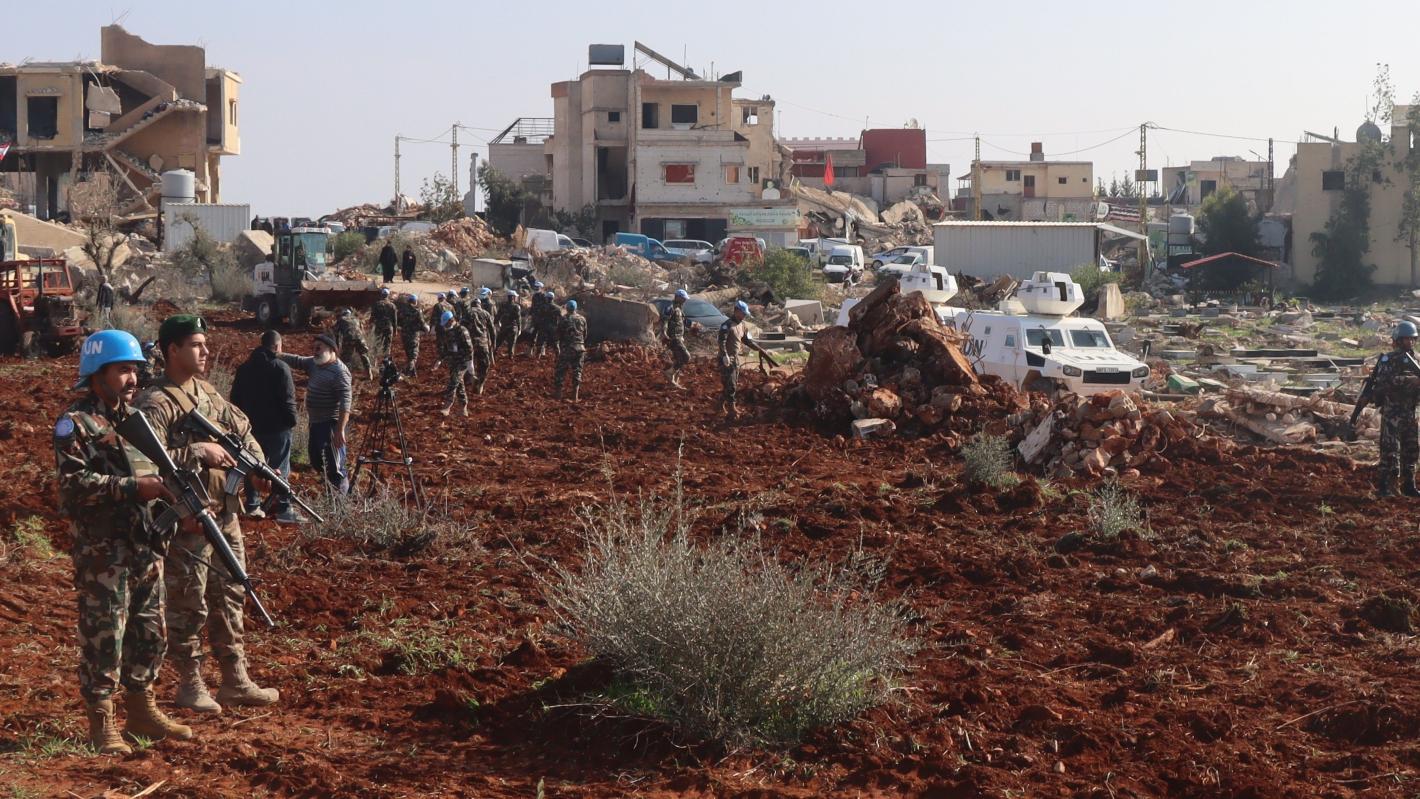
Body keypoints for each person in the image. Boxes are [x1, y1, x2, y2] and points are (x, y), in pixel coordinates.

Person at [56, 330, 192, 754]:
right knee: (105, 635)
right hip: (104, 552)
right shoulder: (76, 423)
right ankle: (102, 722)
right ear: (97, 373)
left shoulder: (137, 421)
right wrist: (133, 488)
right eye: (122, 370)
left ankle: (141, 709)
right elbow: (72, 486)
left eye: (134, 370)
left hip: (144, 545)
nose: (132, 379)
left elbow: (160, 471)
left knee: (149, 631)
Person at [136, 315, 279, 715]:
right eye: (196, 345)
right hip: (187, 520)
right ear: (172, 350)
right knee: (188, 602)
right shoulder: (155, 402)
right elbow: (144, 463)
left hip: (224, 514)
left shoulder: (209, 394)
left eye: (204, 344)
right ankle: (190, 683)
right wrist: (197, 452)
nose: (205, 351)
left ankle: (235, 678)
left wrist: (258, 469)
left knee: (231, 595)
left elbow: (243, 432)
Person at [229, 330, 304, 524]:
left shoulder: (244, 368)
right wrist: (291, 421)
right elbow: (288, 399)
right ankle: (284, 508)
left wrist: (242, 424)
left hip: (251, 428)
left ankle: (252, 506)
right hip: (278, 428)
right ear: (277, 346)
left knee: (252, 465)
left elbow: (234, 399)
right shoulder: (280, 367)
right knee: (281, 467)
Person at [276, 334, 353, 492]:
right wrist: (277, 354)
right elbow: (297, 360)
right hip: (316, 423)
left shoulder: (340, 372)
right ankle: (330, 492)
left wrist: (339, 430)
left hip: (331, 425)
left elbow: (346, 403)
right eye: (314, 348)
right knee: (317, 462)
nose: (315, 351)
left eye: (319, 348)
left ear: (331, 350)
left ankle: (340, 500)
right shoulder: (315, 363)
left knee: (335, 467)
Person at [1374, 321, 1420, 496]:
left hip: (1410, 411)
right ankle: (1385, 486)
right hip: (1393, 412)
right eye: (1406, 339)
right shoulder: (1389, 359)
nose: (1410, 342)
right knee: (1390, 450)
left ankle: (1409, 485)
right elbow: (1385, 381)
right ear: (1398, 340)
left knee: (1411, 449)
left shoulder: (1416, 360)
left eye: (1412, 339)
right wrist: (1411, 381)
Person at [717, 301, 757, 422]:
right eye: (743, 313)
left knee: (731, 383)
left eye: (745, 314)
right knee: (731, 384)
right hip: (726, 359)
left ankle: (720, 404)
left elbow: (747, 340)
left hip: (736, 359)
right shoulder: (727, 325)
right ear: (737, 311)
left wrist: (757, 348)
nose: (744, 316)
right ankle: (732, 409)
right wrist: (724, 355)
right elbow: (721, 341)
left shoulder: (743, 325)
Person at [437, 310, 475, 416]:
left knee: (453, 382)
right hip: (453, 362)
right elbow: (446, 347)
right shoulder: (448, 331)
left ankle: (447, 406)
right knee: (459, 385)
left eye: (446, 323)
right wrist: (440, 359)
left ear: (451, 320)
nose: (445, 326)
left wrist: (470, 363)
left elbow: (469, 347)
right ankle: (463, 408)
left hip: (462, 362)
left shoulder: (462, 330)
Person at [552, 299, 587, 402]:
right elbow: (585, 335)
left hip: (568, 348)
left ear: (567, 308)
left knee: (560, 370)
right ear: (576, 308)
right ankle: (575, 397)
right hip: (580, 348)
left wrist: (559, 344)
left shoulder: (563, 319)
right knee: (577, 371)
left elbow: (557, 334)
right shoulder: (582, 319)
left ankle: (558, 395)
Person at [333, 308, 375, 381]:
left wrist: (337, 346)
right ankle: (369, 374)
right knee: (363, 355)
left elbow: (336, 334)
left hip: (349, 339)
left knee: (346, 358)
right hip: (360, 339)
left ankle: (344, 376)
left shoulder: (341, 320)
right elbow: (362, 330)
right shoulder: (356, 319)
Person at [661, 289, 691, 389]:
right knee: (686, 357)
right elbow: (665, 321)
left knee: (679, 359)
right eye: (683, 298)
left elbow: (681, 323)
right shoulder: (670, 308)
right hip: (674, 338)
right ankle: (669, 373)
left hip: (679, 338)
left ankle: (673, 381)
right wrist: (664, 332)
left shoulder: (680, 309)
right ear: (677, 297)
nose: (684, 300)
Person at [468, 293, 497, 392]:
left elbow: (461, 328)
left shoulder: (468, 313)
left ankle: (472, 379)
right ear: (480, 305)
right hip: (483, 343)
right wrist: (493, 343)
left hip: (470, 344)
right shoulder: (486, 313)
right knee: (484, 365)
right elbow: (492, 330)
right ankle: (480, 383)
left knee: (467, 364)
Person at [396, 293, 427, 377]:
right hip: (413, 335)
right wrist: (425, 330)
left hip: (404, 334)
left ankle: (413, 373)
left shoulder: (402, 310)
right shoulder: (417, 311)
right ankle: (407, 372)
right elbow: (422, 323)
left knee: (409, 355)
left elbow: (398, 321)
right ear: (415, 301)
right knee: (414, 356)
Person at [370, 288, 397, 355]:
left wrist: (370, 324)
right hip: (388, 327)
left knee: (377, 342)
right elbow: (394, 319)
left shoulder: (377, 304)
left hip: (379, 326)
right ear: (388, 295)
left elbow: (372, 316)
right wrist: (395, 330)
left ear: (381, 295)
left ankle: (375, 358)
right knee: (387, 344)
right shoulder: (392, 305)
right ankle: (386, 358)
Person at [496, 289, 522, 359]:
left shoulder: (503, 305)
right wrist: (520, 328)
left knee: (498, 341)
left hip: (504, 326)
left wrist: (497, 323)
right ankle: (510, 357)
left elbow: (498, 315)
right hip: (513, 327)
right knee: (512, 343)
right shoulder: (516, 307)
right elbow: (518, 318)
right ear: (513, 297)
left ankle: (494, 353)